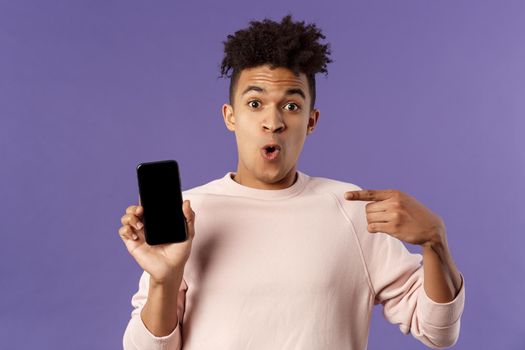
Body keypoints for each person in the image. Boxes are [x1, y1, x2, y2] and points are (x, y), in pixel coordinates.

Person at [119, 14, 465, 350]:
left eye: (292, 106)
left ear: (311, 121)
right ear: (231, 116)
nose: (273, 121)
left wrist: (435, 241)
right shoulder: (188, 214)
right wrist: (164, 280)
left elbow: (438, 332)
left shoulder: (352, 212)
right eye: (255, 103)